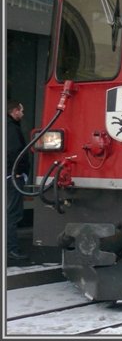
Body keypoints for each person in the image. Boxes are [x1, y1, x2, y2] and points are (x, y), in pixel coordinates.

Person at [6, 100, 31, 261]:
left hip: (8, 174)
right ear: (14, 111)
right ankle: (11, 249)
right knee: (12, 213)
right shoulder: (12, 129)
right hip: (12, 176)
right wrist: (18, 172)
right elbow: (15, 151)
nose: (22, 114)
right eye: (21, 111)